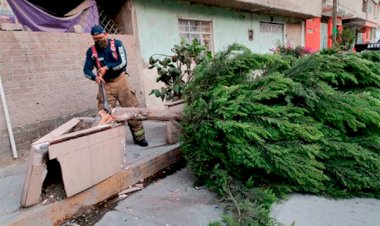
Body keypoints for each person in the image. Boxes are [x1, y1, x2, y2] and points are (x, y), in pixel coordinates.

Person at [83, 25, 148, 147]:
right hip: (105, 85)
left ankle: (139, 138)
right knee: (105, 114)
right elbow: (86, 70)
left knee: (131, 109)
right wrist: (95, 77)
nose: (99, 41)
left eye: (101, 37)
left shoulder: (116, 44)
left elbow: (123, 63)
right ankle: (108, 144)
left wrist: (106, 67)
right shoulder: (91, 51)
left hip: (121, 81)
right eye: (95, 39)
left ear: (106, 34)